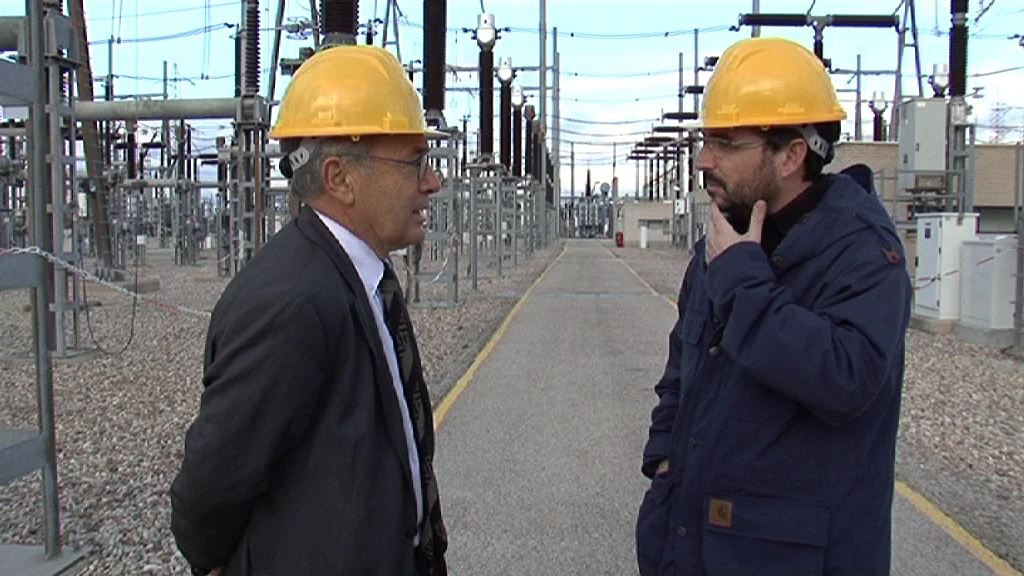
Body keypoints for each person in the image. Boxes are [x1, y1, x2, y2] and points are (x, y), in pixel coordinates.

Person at [636, 37, 913, 576]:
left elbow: (846, 377)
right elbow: (682, 370)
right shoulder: (728, 235)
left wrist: (742, 278)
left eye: (725, 144)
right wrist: (665, 459)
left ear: (792, 154)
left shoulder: (863, 252)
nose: (702, 160)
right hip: (692, 545)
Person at [169, 45, 448, 576]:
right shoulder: (291, 303)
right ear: (341, 178)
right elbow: (207, 497)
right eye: (414, 162)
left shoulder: (364, 278)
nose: (431, 182)